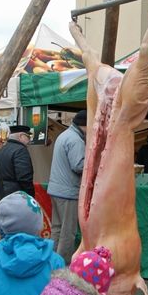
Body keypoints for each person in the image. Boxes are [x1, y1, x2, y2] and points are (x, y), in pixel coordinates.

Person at [47, 108, 87, 263]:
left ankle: (51, 262)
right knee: (67, 232)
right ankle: (61, 266)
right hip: (68, 192)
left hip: (57, 190)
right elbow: (78, 165)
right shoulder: (76, 140)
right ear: (85, 125)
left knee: (56, 229)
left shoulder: (64, 135)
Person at [0, 124, 34, 200]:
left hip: (1, 193)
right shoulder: (20, 150)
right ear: (21, 136)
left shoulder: (1, 149)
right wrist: (30, 196)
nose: (29, 141)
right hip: (16, 195)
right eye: (28, 137)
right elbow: (24, 177)